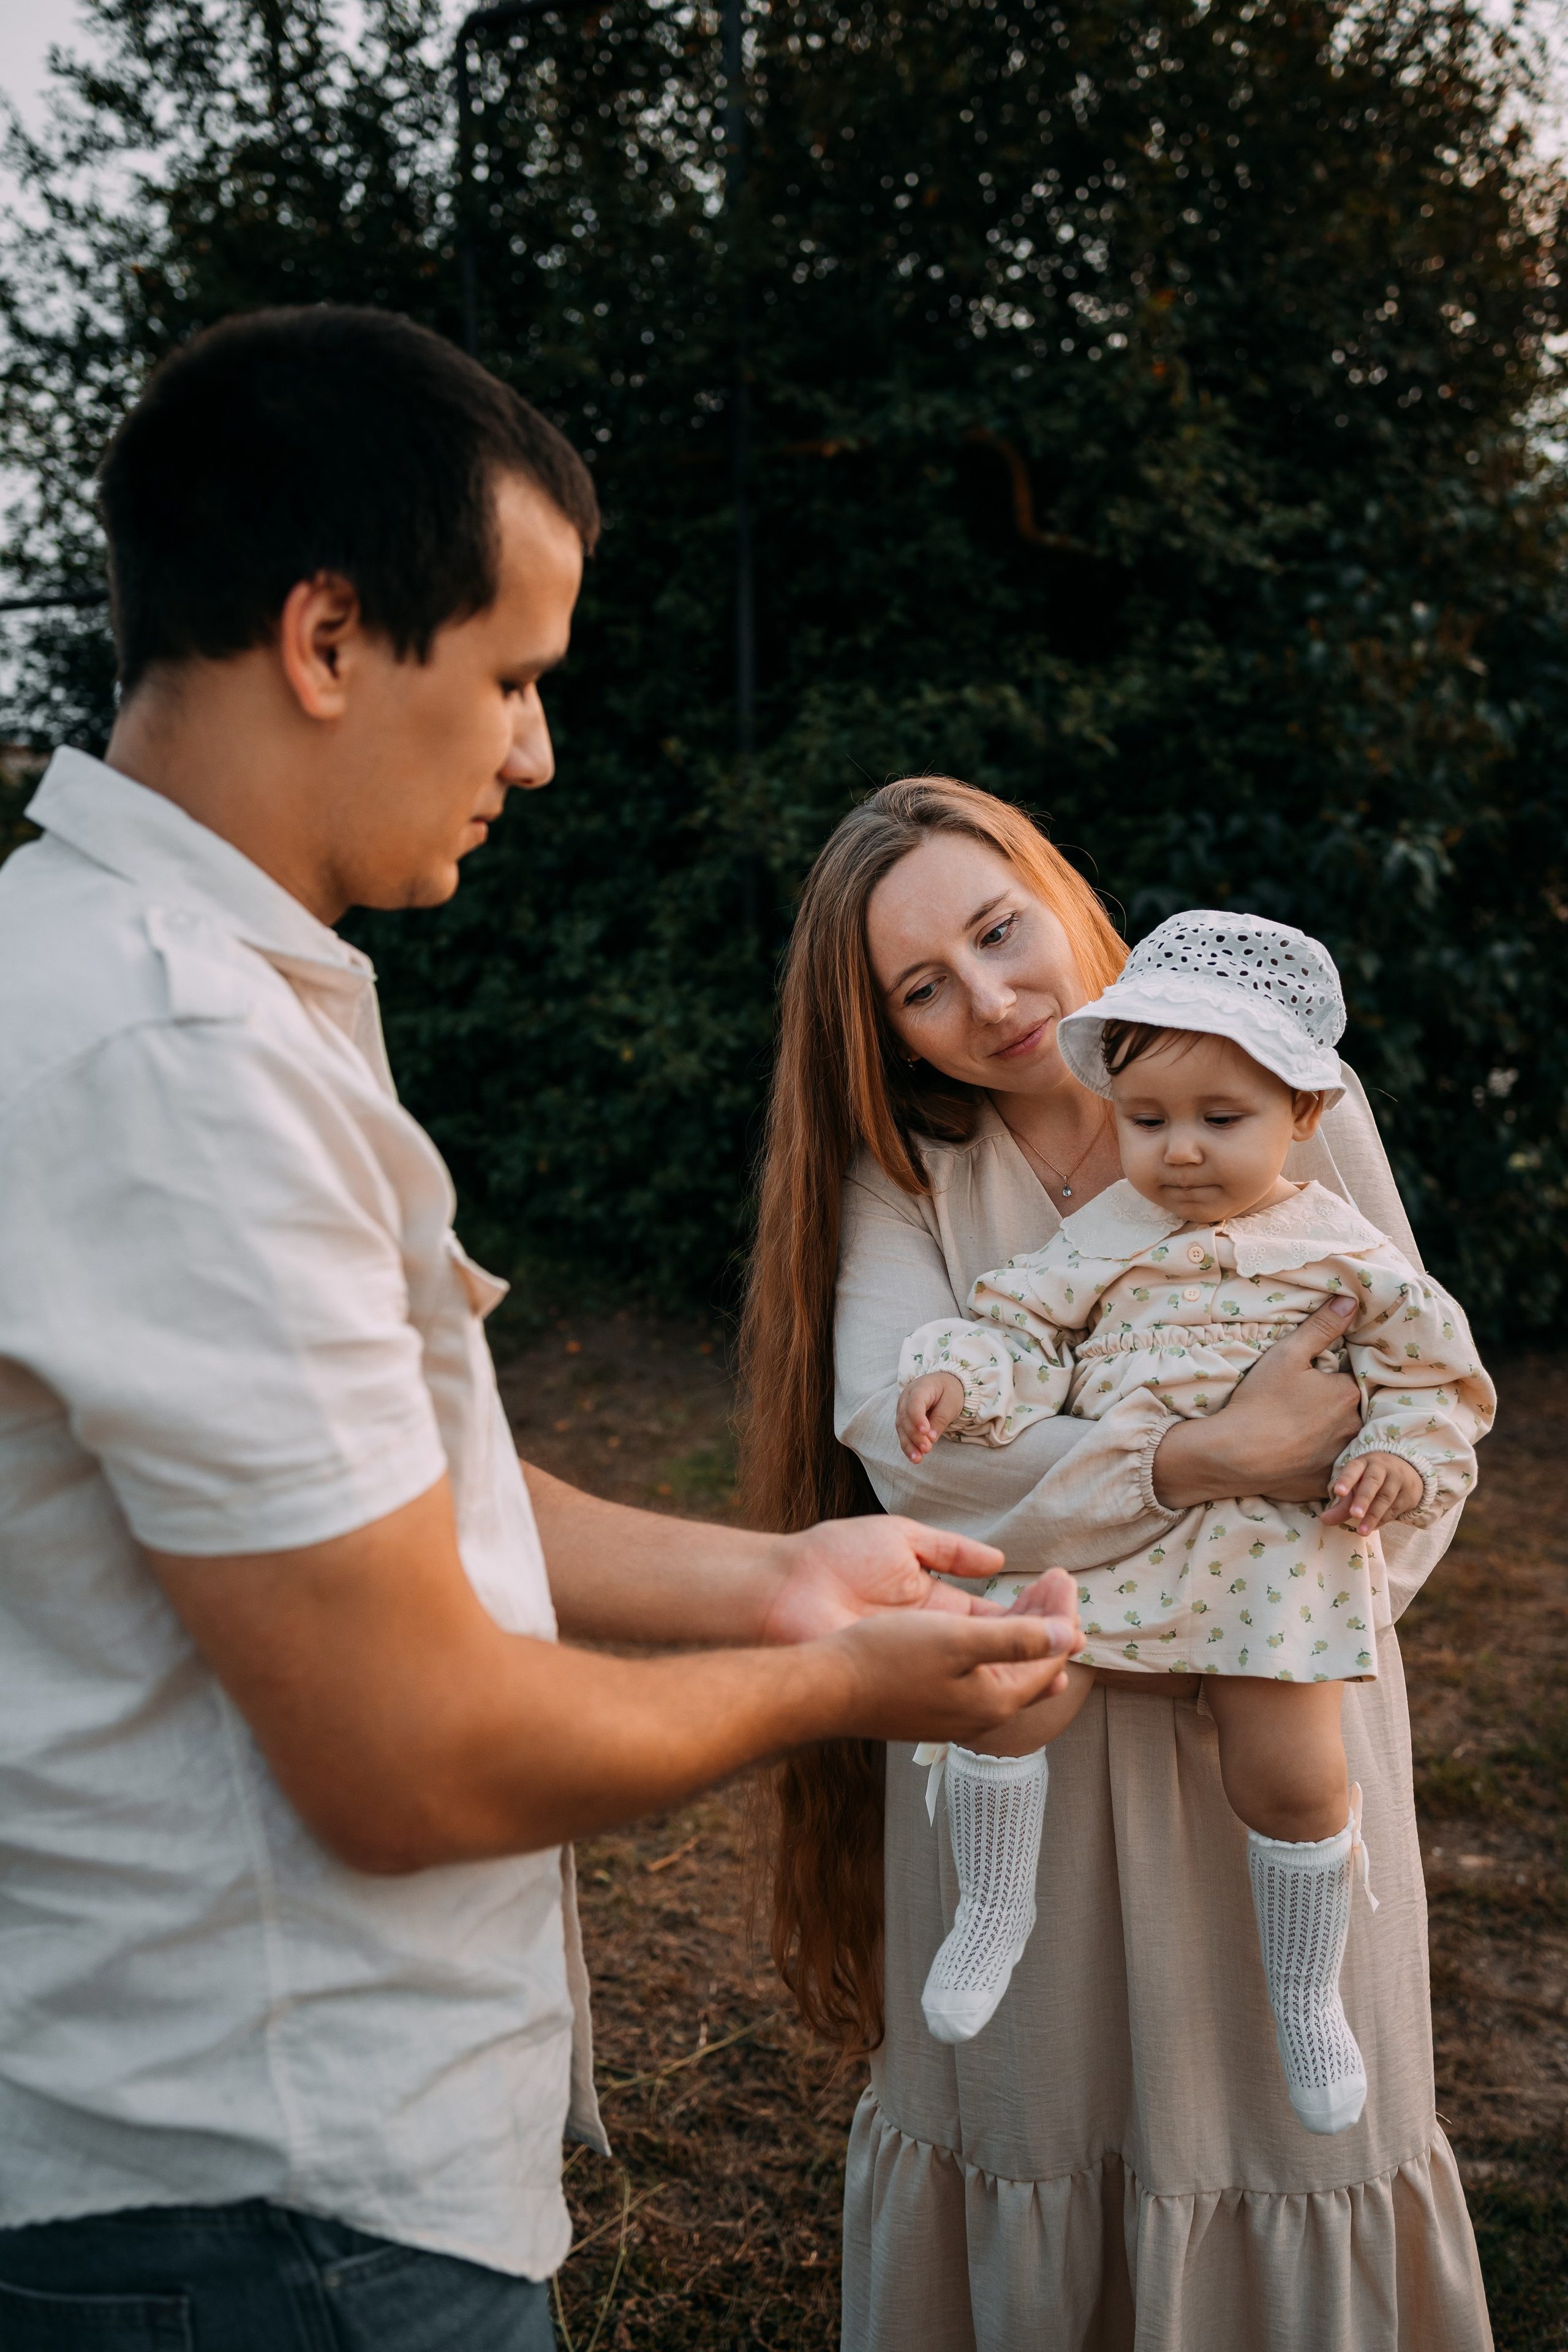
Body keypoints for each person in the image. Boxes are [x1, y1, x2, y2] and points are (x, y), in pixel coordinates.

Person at [0, 312, 1084, 2351]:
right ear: (328, 641)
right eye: (508, 678)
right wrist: (844, 1687)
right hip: (263, 2210)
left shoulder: (132, 978)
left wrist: (773, 1578)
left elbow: (401, 1494)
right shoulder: (174, 1056)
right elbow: (411, 1757)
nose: (535, 750)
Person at [739, 779, 1493, 2350]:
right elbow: (914, 1453)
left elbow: (1404, 1402)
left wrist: (1284, 1606)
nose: (991, 1001)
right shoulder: (916, 1176)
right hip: (1030, 1681)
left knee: (1280, 2118)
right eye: (919, 989)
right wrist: (1203, 1463)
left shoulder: (1279, 1085)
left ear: (1060, 894)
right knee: (1037, 2105)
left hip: (1279, 1688)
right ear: (880, 1029)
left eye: (998, 933)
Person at [891, 910, 1493, 2125]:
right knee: (1014, 1685)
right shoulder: (1105, 1235)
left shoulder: (1345, 1253)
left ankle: (1301, 1992)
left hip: (1266, 1560)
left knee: (1290, 1775)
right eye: (1145, 1120)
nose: (1174, 1154)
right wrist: (961, 1371)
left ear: (1300, 1119)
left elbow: (1431, 1385)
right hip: (1115, 1538)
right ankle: (991, 1908)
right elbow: (1019, 1324)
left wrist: (1395, 1461)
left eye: (1219, 1122)